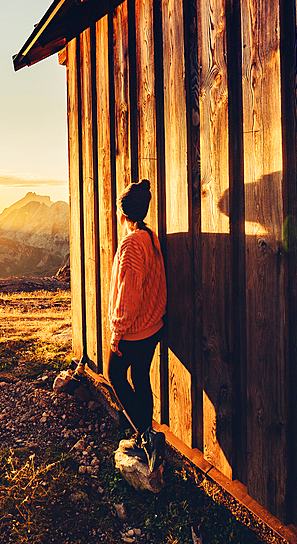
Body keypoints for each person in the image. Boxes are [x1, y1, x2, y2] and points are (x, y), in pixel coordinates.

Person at [106, 179, 167, 472]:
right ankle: (146, 435)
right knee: (140, 377)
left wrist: (117, 332)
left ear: (122, 215)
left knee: (115, 375)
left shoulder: (131, 243)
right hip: (153, 325)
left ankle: (147, 435)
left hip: (134, 329)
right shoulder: (148, 235)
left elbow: (129, 292)